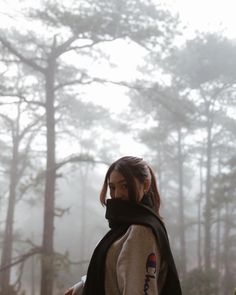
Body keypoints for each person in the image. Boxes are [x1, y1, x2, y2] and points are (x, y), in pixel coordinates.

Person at [64, 156, 182, 295]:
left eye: (125, 186)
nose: (117, 194)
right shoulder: (125, 227)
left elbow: (137, 290)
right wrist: (81, 288)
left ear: (145, 185)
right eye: (112, 187)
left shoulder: (141, 231)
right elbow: (115, 273)